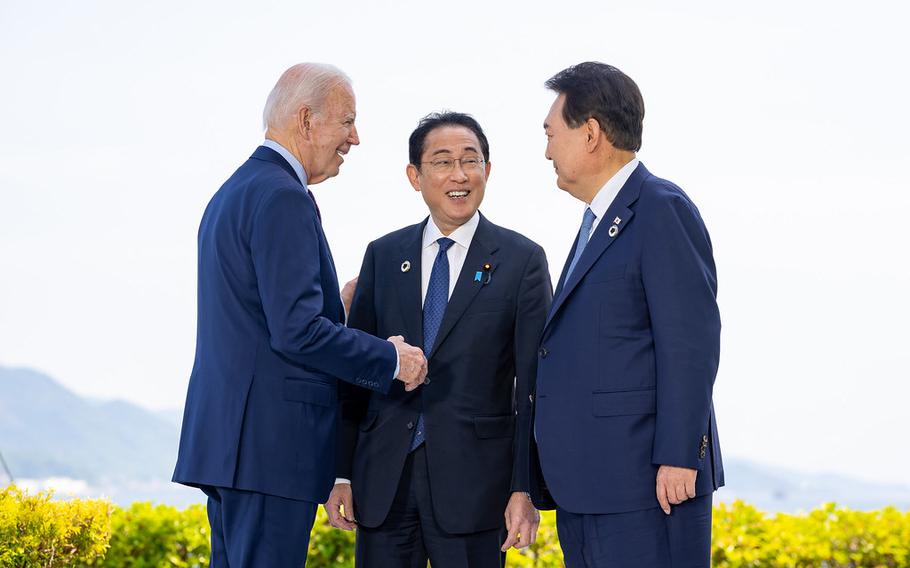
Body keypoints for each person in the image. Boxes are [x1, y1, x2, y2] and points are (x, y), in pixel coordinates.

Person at [171, 63, 428, 567]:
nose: (355, 138)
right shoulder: (283, 196)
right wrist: (389, 359)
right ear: (307, 120)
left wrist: (338, 308)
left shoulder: (236, 192)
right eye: (347, 121)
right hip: (271, 448)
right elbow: (297, 332)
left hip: (233, 446)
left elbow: (261, 316)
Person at [326, 112, 552, 567]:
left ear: (487, 170)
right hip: (384, 480)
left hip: (477, 488)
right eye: (443, 162)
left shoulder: (522, 260)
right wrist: (342, 473)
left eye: (471, 161)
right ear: (415, 176)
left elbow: (533, 383)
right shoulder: (383, 255)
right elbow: (355, 372)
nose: (459, 174)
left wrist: (523, 486)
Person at [531, 62, 724, 567]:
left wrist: (680, 455)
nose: (547, 149)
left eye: (551, 134)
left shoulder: (661, 207)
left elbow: (690, 342)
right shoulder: (595, 221)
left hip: (649, 487)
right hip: (590, 487)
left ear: (590, 133)